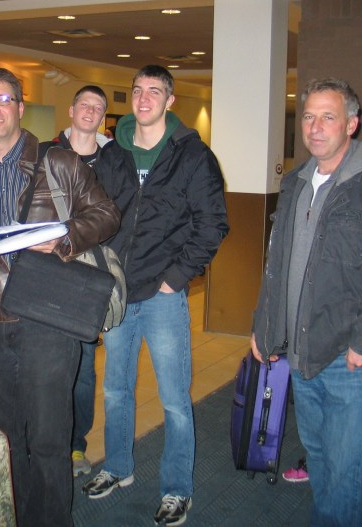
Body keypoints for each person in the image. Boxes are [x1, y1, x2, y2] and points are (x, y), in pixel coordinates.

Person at [0, 68, 120, 527]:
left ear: (19, 105)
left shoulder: (59, 163)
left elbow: (106, 214)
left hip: (47, 318)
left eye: (2, 99)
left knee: (51, 439)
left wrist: (64, 239)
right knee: (7, 437)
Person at [251, 77, 362, 526]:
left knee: (350, 471)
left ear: (351, 123)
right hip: (300, 353)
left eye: (327, 117)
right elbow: (278, 264)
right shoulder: (296, 183)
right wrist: (265, 326)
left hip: (351, 357)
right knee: (323, 459)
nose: (315, 127)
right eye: (308, 116)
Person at [84, 65, 229, 526]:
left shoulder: (192, 156)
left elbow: (212, 225)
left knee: (173, 400)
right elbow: (97, 214)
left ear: (170, 101)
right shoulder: (113, 155)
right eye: (137, 91)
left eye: (154, 92)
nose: (144, 98)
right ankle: (118, 467)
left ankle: (176, 489)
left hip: (164, 295)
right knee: (115, 390)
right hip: (118, 294)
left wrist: (175, 278)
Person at [45, 84, 112, 478]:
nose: (90, 111)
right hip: (49, 272)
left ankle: (75, 445)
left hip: (88, 275)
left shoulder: (112, 159)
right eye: (84, 104)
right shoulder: (46, 153)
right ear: (71, 110)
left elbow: (115, 214)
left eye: (98, 107)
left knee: (84, 368)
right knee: (46, 363)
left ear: (103, 115)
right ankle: (46, 440)